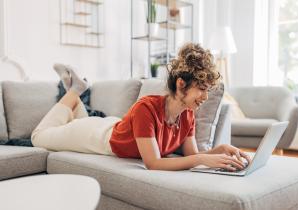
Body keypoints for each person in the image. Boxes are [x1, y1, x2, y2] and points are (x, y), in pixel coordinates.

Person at [31, 43, 251, 171]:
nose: (205, 96)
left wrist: (219, 150)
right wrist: (204, 159)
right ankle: (76, 90)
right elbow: (153, 163)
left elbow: (193, 154)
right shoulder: (146, 108)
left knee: (78, 119)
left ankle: (73, 94)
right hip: (95, 137)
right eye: (201, 88)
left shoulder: (187, 116)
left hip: (114, 126)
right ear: (181, 84)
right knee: (38, 137)